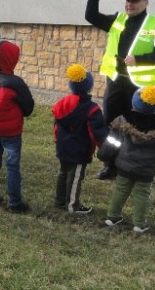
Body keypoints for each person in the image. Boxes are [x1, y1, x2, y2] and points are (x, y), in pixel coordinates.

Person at [86, 0, 155, 180]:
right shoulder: (118, 20)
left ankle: (131, 166)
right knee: (111, 124)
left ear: (145, 2)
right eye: (127, 1)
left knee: (136, 127)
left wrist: (140, 59)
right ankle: (111, 165)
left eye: (134, 1)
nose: (129, 5)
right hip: (116, 82)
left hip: (139, 88)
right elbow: (91, 16)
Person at [99, 86, 155, 233]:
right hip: (146, 171)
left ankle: (112, 217)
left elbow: (113, 142)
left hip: (124, 166)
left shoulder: (122, 120)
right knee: (143, 195)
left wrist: (104, 155)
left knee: (120, 190)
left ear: (134, 101)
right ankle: (139, 224)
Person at [0, 40, 35, 213]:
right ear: (12, 59)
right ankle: (15, 202)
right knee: (12, 165)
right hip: (12, 132)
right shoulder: (16, 83)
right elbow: (28, 107)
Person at [52, 64, 109, 214]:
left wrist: (57, 141)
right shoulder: (92, 109)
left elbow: (57, 126)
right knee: (75, 177)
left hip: (63, 146)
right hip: (79, 150)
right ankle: (72, 206)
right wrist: (105, 148)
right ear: (89, 87)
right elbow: (97, 133)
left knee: (63, 173)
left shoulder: (61, 104)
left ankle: (59, 201)